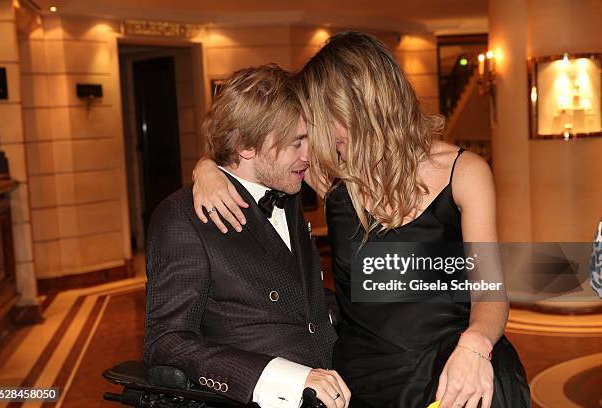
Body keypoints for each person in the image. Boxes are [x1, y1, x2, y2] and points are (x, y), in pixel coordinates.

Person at [191, 32, 531, 408]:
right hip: (363, 380)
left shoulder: (465, 172)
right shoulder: (331, 175)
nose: (316, 137)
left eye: (324, 120)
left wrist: (476, 345)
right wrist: (207, 167)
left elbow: (491, 293)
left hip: (452, 359)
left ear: (359, 107)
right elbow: (257, 156)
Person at [144, 64, 351, 408]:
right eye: (296, 143)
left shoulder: (289, 190)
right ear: (245, 145)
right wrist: (288, 378)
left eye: (308, 141)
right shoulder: (182, 216)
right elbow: (167, 341)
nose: (308, 156)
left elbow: (288, 296)